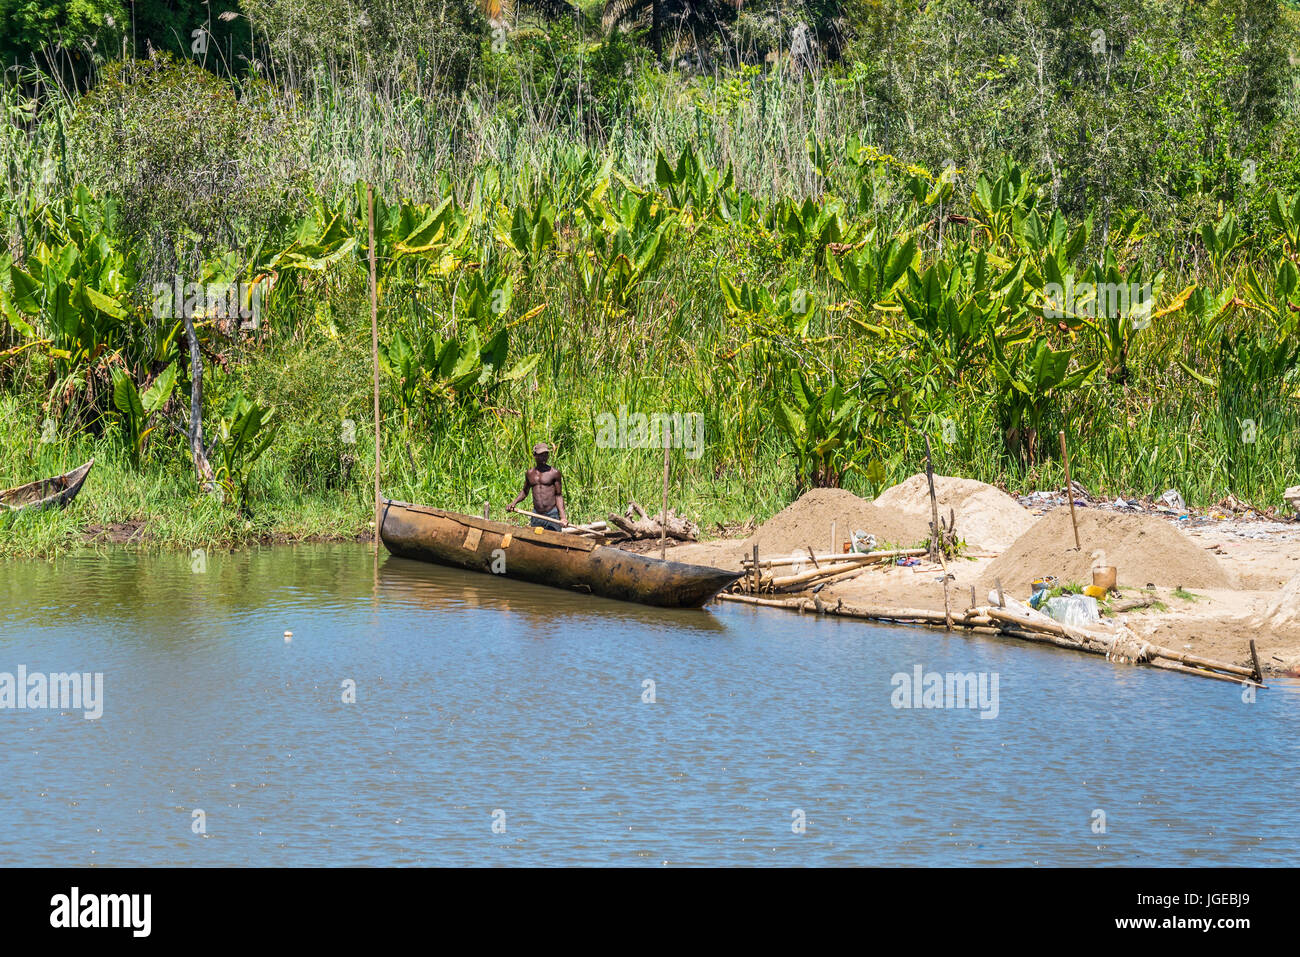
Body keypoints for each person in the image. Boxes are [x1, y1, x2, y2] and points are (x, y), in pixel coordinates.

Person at [507, 442, 568, 531]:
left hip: (551, 514)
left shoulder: (554, 473)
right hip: (537, 515)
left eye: (546, 455)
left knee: (555, 542)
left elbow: (558, 495)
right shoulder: (530, 473)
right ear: (535, 456)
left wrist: (563, 517)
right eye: (541, 455)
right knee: (536, 541)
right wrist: (514, 503)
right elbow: (525, 491)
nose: (544, 457)